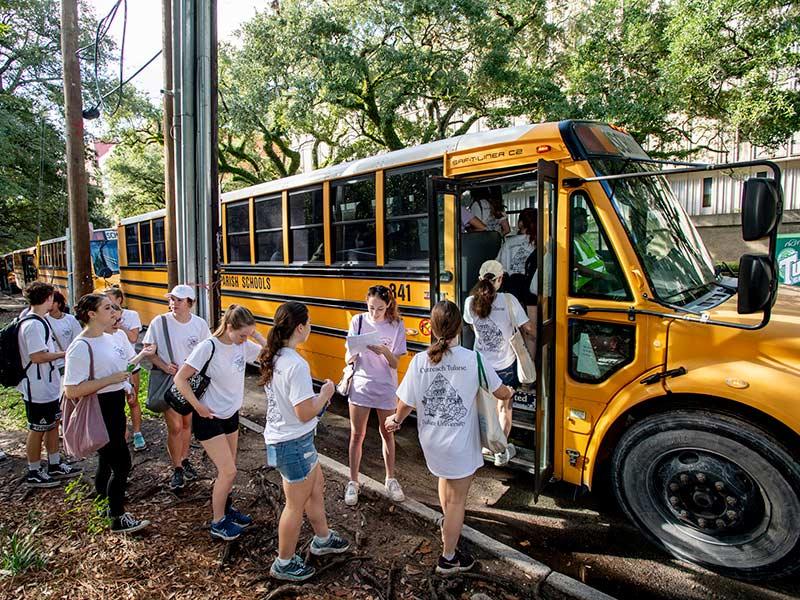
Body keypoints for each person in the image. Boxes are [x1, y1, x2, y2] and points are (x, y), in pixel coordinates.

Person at [385, 300, 512, 575]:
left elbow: (405, 402)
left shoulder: (420, 360)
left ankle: (448, 530)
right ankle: (448, 558)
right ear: (459, 328)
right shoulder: (472, 359)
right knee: (456, 502)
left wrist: (396, 420)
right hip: (459, 445)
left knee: (445, 485)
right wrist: (510, 394)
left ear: (431, 328)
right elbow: (500, 392)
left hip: (431, 442)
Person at [260, 301, 350, 581]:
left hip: (290, 439)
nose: (311, 326)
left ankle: (322, 539)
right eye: (309, 322)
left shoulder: (275, 357)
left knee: (316, 487)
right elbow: (303, 412)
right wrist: (325, 393)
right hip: (292, 442)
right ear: (300, 327)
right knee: (294, 504)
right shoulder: (295, 364)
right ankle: (284, 562)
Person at [173, 305, 266, 541]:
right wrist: (197, 406)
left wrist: (255, 335)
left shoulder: (242, 345)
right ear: (228, 327)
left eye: (248, 336)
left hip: (230, 415)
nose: (245, 340)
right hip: (208, 417)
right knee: (228, 470)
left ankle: (226, 508)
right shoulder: (208, 347)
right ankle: (217, 522)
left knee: (228, 470)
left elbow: (269, 354)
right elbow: (180, 379)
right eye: (242, 334)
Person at [64, 294, 151, 534]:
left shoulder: (107, 338)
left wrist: (126, 383)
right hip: (98, 408)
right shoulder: (80, 347)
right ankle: (117, 517)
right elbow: (71, 390)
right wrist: (108, 381)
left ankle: (103, 502)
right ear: (92, 314)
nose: (114, 312)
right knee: (122, 463)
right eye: (107, 308)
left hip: (114, 404)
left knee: (107, 460)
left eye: (113, 308)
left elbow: (120, 370)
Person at [463, 260, 535, 466]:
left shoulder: (469, 303)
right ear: (501, 280)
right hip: (505, 367)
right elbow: (528, 328)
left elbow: (470, 324)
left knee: (486, 407)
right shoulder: (509, 300)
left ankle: (486, 445)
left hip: (480, 366)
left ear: (479, 279)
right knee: (504, 408)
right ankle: (501, 451)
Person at [343, 285, 407, 506]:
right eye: (371, 308)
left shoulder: (396, 324)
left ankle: (390, 478)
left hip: (385, 387)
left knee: (387, 433)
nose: (374, 313)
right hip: (361, 386)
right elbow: (348, 355)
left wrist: (384, 350)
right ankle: (353, 481)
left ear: (388, 305)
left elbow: (396, 362)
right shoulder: (358, 321)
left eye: (379, 309)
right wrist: (352, 354)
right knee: (356, 435)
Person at [143, 284, 210, 490]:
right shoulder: (159, 322)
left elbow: (207, 350)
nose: (173, 304)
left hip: (189, 382)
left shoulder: (199, 324)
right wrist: (164, 366)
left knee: (187, 424)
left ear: (190, 303)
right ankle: (177, 468)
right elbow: (148, 350)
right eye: (171, 299)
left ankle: (185, 458)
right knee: (176, 426)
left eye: (179, 300)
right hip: (169, 380)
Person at [17, 282, 80, 488]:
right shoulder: (33, 324)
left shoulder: (38, 319)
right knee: (37, 428)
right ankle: (34, 470)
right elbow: (37, 356)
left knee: (52, 424)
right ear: (48, 299)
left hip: (48, 384)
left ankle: (54, 463)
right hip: (37, 386)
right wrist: (65, 354)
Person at [106, 287, 146, 451]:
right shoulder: (101, 326)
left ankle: (137, 433)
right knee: (116, 405)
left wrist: (119, 324)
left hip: (130, 367)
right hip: (113, 372)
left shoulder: (130, 317)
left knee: (133, 400)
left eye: (109, 299)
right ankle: (121, 433)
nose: (107, 303)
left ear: (119, 299)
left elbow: (133, 338)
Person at [572, 205, 609, 292]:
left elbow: (594, 259)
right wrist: (603, 276)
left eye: (585, 220)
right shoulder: (570, 242)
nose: (584, 223)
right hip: (586, 284)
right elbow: (576, 267)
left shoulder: (585, 238)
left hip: (598, 278)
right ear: (571, 222)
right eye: (580, 220)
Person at [46, 290, 82, 378]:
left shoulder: (71, 319)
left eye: (53, 302)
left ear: (59, 304)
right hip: (51, 364)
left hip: (69, 362)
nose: (50, 305)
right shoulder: (43, 320)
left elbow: (78, 339)